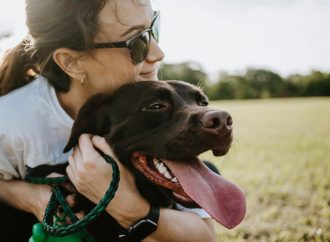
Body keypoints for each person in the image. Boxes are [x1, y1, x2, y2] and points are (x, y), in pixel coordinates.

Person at [0, 0, 217, 241]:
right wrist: (31, 197)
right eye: (137, 43)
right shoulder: (10, 121)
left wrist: (127, 205)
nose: (158, 53)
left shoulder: (151, 94)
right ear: (72, 62)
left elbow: (205, 237)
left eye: (153, 28)